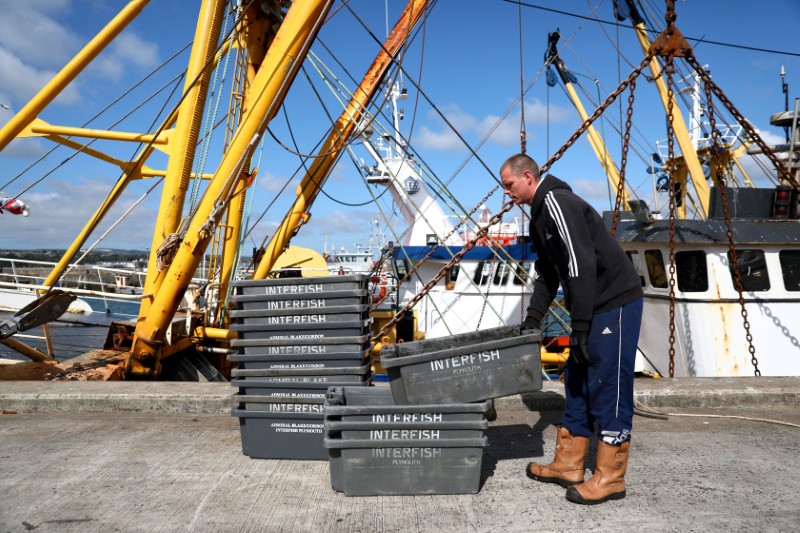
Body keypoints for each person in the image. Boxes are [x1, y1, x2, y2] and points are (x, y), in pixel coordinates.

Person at [499, 153, 643, 505]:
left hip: (614, 304)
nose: (507, 193)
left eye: (509, 185)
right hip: (592, 306)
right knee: (576, 380)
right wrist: (533, 318)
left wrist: (579, 324)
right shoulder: (539, 216)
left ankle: (610, 477)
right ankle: (568, 464)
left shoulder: (557, 202)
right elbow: (549, 272)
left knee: (609, 385)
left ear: (528, 176)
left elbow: (581, 261)